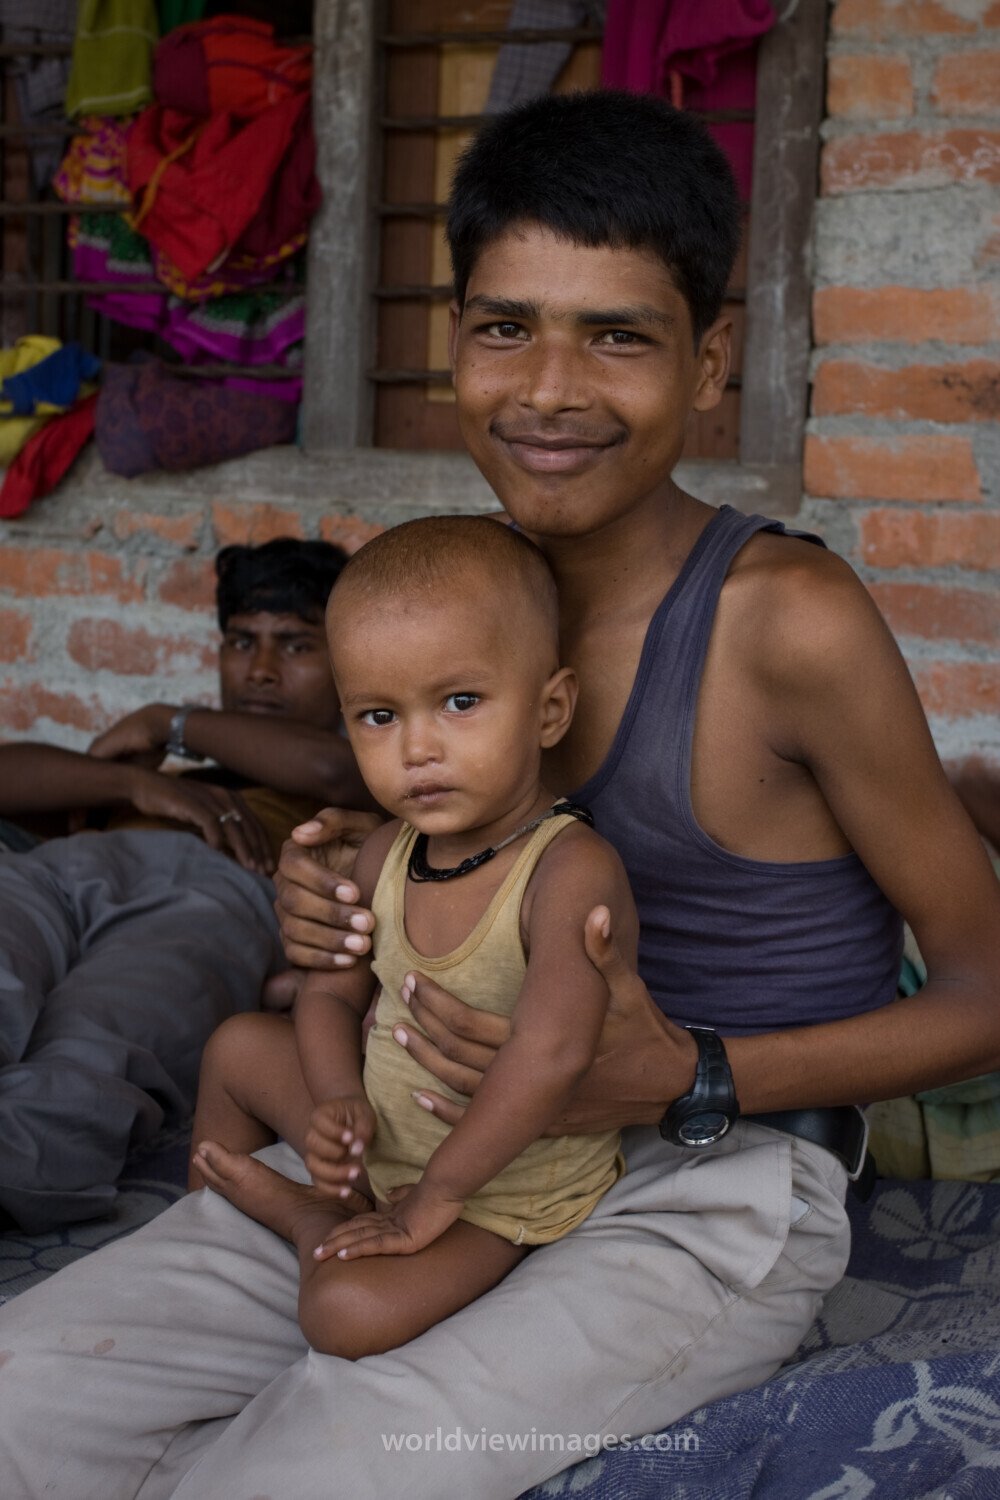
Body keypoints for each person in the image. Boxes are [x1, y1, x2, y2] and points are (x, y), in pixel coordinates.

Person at [2, 90, 1000, 1500]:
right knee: (24, 1401)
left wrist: (688, 1072)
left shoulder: (784, 620)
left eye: (619, 336)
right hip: (421, 1140)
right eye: (506, 327)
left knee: (303, 1475)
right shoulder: (449, 591)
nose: (549, 391)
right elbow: (447, 859)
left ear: (710, 361)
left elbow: (982, 990)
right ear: (452, 337)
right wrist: (341, 893)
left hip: (697, 1172)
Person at [188, 517, 636, 1359]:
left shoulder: (569, 869)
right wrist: (336, 1102)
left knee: (345, 1316)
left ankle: (306, 1216)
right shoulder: (385, 851)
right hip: (383, 1139)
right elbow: (328, 994)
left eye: (460, 703)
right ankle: (215, 1247)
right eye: (378, 715)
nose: (418, 748)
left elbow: (553, 1055)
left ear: (549, 710)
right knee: (237, 1048)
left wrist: (437, 1195)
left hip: (495, 1190)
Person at [0, 537, 370, 1232]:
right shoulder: (169, 776)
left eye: (296, 646)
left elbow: (331, 770)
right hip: (61, 870)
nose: (261, 671)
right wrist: (131, 783)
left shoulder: (368, 767)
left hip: (214, 900)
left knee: (95, 1043)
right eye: (242, 642)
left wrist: (168, 722)